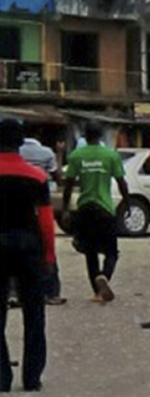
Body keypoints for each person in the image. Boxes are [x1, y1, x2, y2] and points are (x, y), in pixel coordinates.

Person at [0, 120, 48, 391]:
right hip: (29, 245)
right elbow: (46, 221)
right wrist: (49, 257)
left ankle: (2, 377)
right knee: (34, 313)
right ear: (20, 143)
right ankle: (31, 378)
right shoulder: (36, 176)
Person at [64, 123, 129, 303]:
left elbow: (68, 185)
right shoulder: (111, 155)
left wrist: (66, 209)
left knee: (90, 252)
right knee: (112, 252)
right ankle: (104, 277)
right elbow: (121, 182)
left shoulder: (76, 156)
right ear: (100, 136)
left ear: (85, 136)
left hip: (85, 207)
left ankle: (97, 291)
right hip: (105, 207)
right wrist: (127, 202)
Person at [19, 129, 65, 305]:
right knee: (45, 248)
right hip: (40, 205)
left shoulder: (16, 152)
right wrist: (59, 154)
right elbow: (58, 176)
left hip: (15, 209)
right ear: (39, 136)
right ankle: (51, 293)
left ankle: (14, 294)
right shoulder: (46, 153)